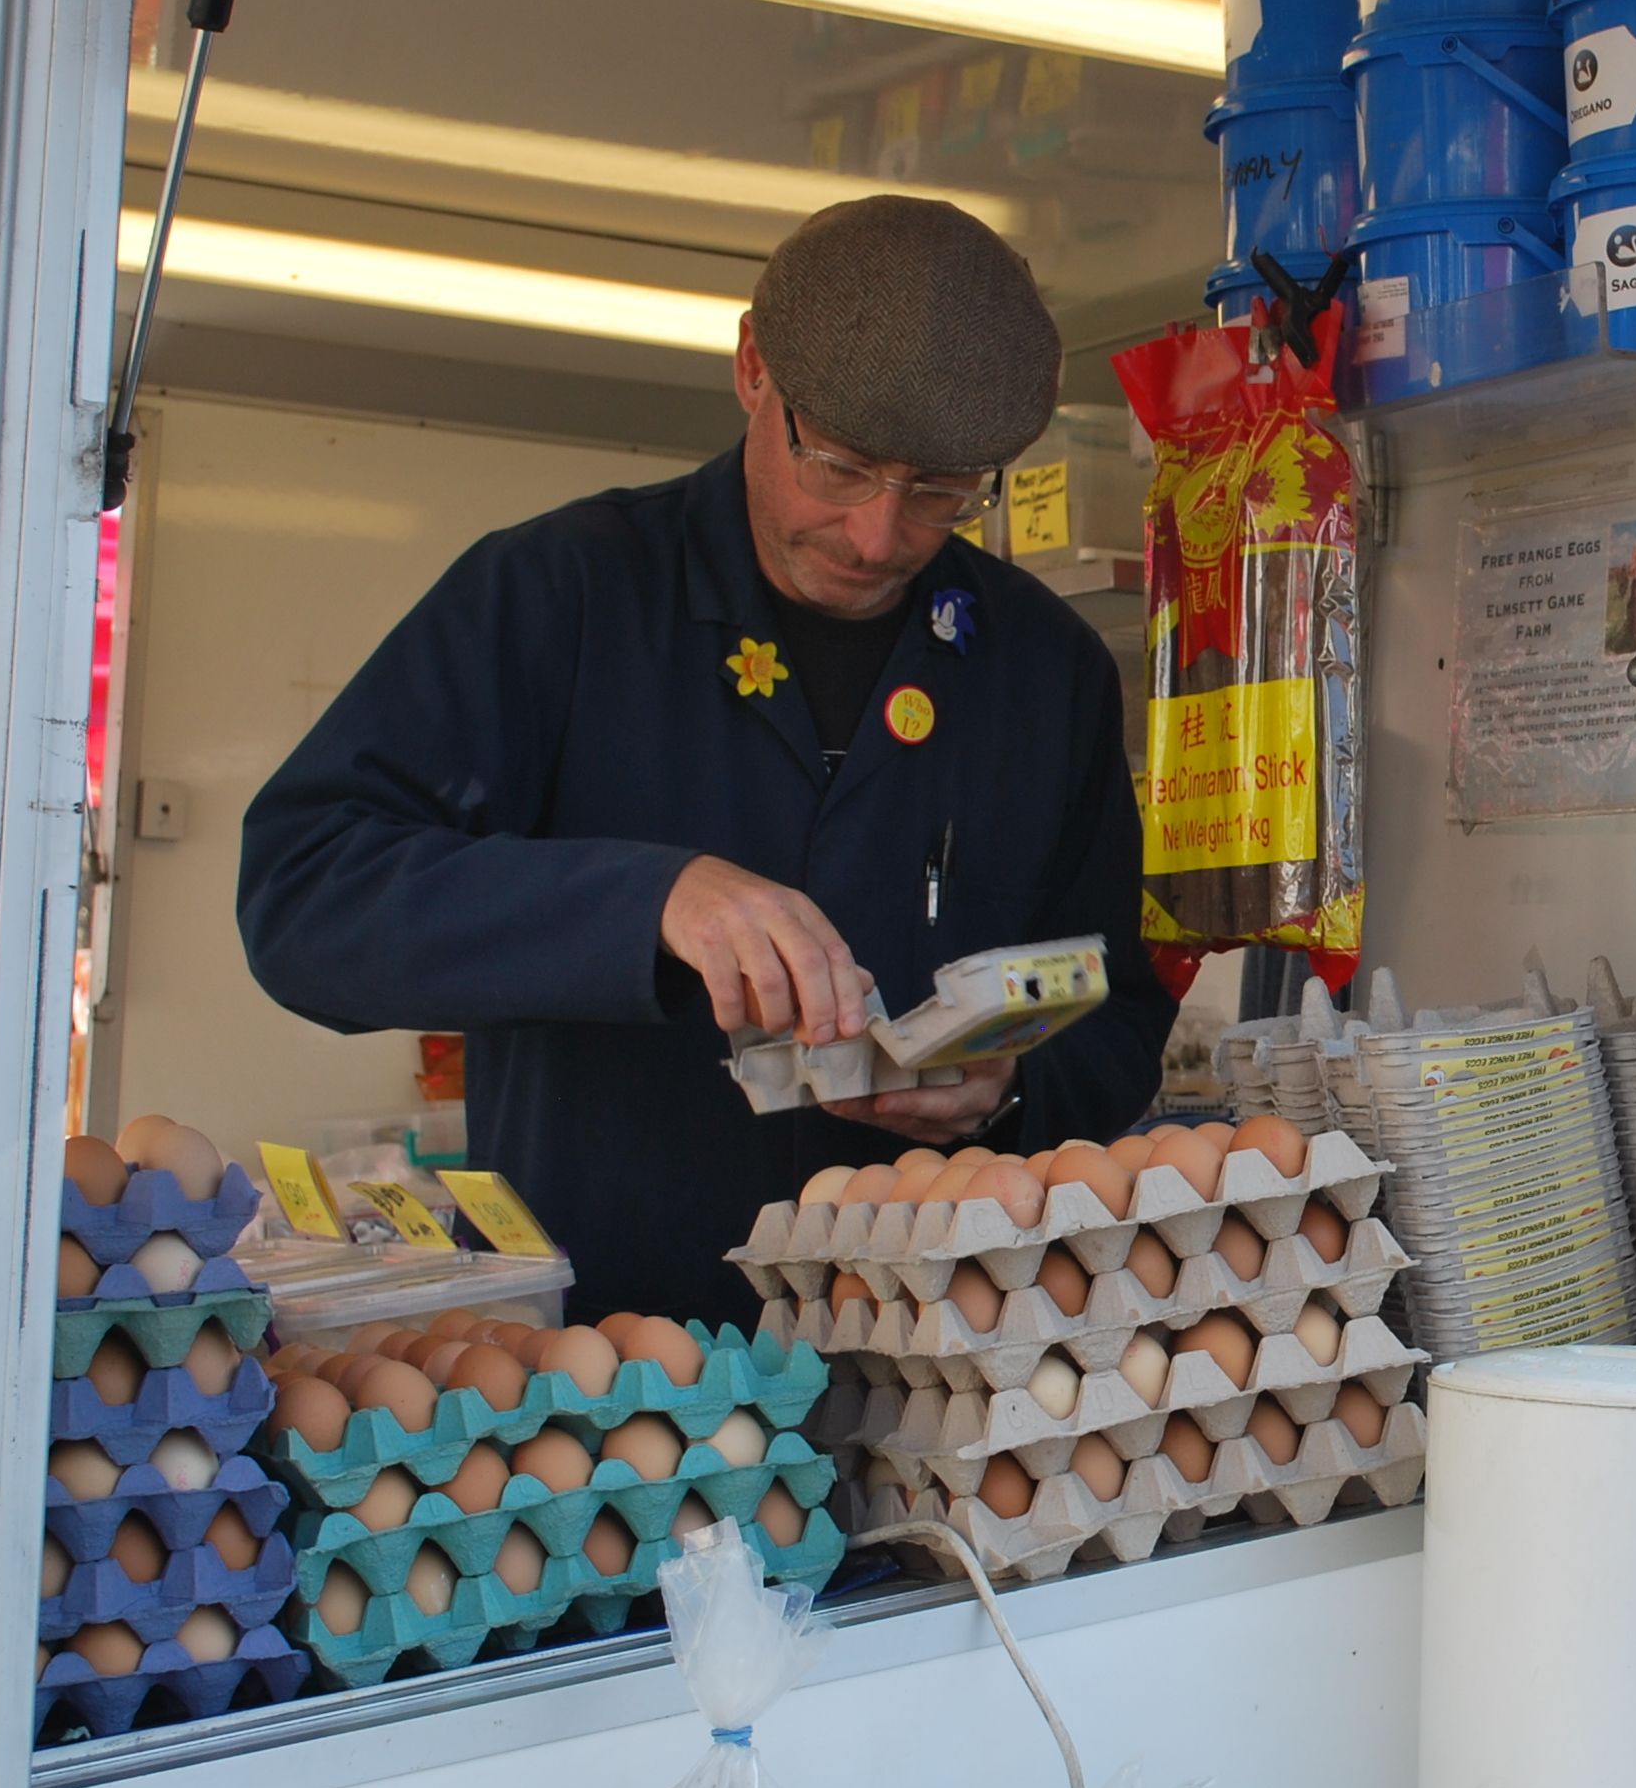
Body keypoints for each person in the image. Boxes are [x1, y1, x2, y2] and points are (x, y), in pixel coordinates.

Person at [237, 197, 1175, 1313]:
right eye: (838, 467)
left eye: (938, 493)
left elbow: (1118, 1010)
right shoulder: (562, 595)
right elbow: (302, 894)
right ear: (750, 371)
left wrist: (1010, 1088)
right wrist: (646, 901)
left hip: (940, 1367)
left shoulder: (1041, 669)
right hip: (617, 1370)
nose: (878, 536)